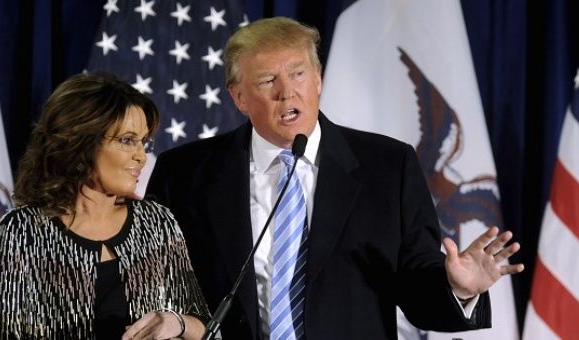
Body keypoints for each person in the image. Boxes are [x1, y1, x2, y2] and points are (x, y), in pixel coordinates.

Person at [146, 17, 524, 340]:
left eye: (298, 73)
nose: (286, 92)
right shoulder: (185, 174)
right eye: (266, 81)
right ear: (240, 97)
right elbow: (156, 283)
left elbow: (415, 288)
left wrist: (457, 288)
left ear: (318, 79)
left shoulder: (388, 167)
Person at [0, 72, 210, 339]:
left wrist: (176, 322)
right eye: (127, 140)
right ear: (81, 144)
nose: (141, 156)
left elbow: (206, 326)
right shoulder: (23, 231)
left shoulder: (156, 222)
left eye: (143, 142)